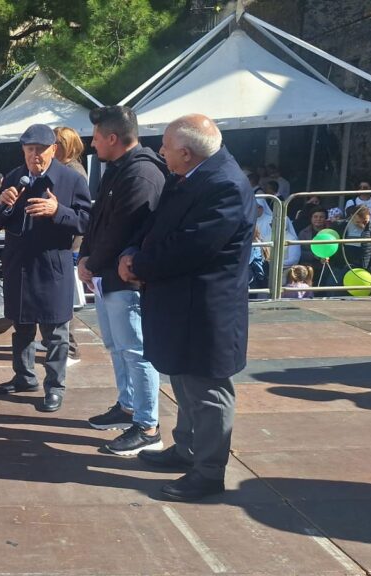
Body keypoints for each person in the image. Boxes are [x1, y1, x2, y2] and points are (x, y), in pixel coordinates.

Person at [118, 113, 254, 501]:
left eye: (165, 147)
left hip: (205, 309)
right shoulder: (194, 176)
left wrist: (138, 265)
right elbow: (158, 225)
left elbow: (192, 246)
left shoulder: (224, 185)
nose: (160, 152)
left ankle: (208, 472)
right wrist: (132, 252)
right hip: (183, 304)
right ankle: (187, 448)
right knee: (184, 380)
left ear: (187, 152)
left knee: (207, 390)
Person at [79, 106, 166, 455]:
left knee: (136, 352)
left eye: (97, 137)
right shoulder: (118, 169)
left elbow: (121, 230)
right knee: (118, 347)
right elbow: (98, 220)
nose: (92, 143)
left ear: (113, 138)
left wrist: (91, 262)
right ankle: (128, 406)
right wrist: (86, 258)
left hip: (126, 281)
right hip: (107, 276)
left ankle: (147, 426)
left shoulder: (141, 173)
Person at [0, 123, 92, 412]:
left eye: (40, 150)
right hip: (18, 264)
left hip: (51, 266)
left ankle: (55, 387)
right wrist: (2, 204)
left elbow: (86, 222)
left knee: (55, 333)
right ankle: (24, 377)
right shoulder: (14, 177)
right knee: (21, 327)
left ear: (53, 150)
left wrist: (58, 211)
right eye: (29, 150)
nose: (34, 156)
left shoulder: (71, 179)